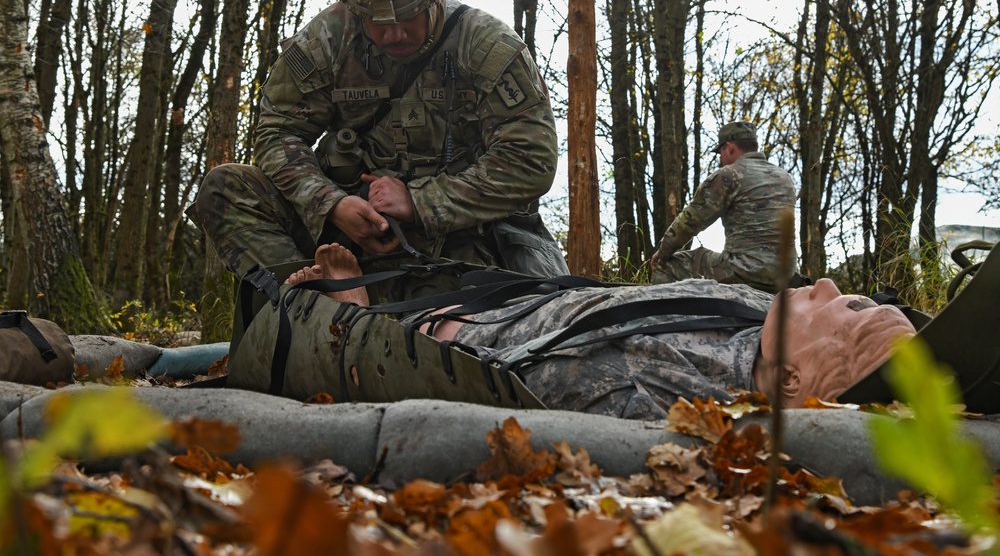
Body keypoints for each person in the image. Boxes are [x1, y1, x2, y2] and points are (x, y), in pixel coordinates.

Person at [187, 0, 564, 302]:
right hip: (345, 235)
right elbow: (277, 130)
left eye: (408, 17)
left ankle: (368, 315)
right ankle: (312, 305)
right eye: (376, 22)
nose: (393, 34)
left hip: (459, 238)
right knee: (225, 188)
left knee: (455, 325)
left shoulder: (485, 47)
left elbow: (530, 159)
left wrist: (419, 201)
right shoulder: (328, 40)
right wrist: (330, 203)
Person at [280, 243, 917, 419]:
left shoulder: (670, 391)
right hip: (539, 304)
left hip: (499, 343)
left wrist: (426, 342)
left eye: (844, 311)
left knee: (475, 341)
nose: (829, 288)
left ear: (793, 380)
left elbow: (523, 387)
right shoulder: (763, 313)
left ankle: (360, 325)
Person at [650, 121, 797, 293]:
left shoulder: (729, 175)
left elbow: (690, 222)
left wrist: (662, 252)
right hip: (785, 273)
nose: (720, 158)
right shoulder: (784, 177)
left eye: (720, 152)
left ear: (730, 147)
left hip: (744, 271)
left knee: (666, 265)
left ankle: (670, 317)